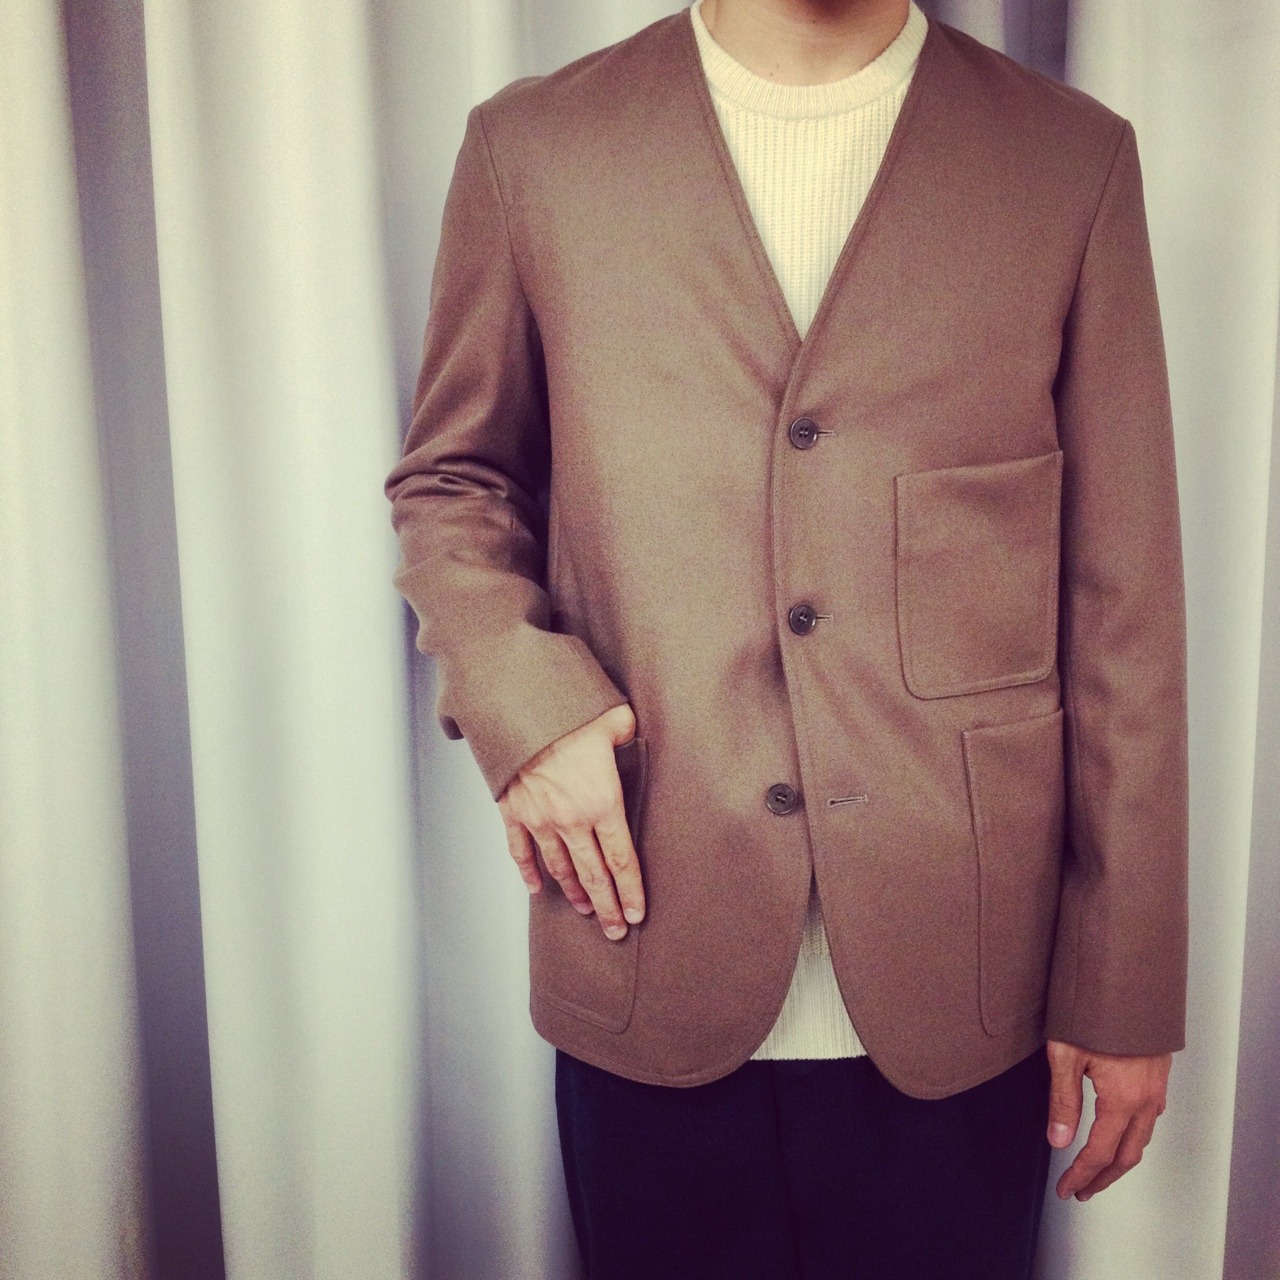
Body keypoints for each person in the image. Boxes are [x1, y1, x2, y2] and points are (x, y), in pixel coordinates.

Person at [384, 0, 1189, 1275]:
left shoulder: (1067, 159)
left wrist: (1124, 979)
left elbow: (1121, 595)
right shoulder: (533, 147)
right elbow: (454, 478)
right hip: (649, 923)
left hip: (965, 965)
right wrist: (526, 708)